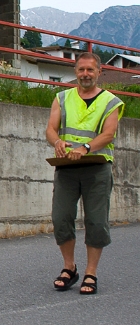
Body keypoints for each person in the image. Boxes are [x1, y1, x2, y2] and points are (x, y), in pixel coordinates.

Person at [45, 52, 124, 295]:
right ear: (75, 72)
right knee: (61, 218)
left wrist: (86, 147)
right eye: (81, 70)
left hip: (97, 167)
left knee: (96, 221)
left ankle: (91, 273)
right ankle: (70, 268)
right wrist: (57, 142)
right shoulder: (62, 97)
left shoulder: (111, 101)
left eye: (90, 70)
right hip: (67, 167)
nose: (85, 74)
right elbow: (50, 129)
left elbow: (109, 134)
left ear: (100, 72)